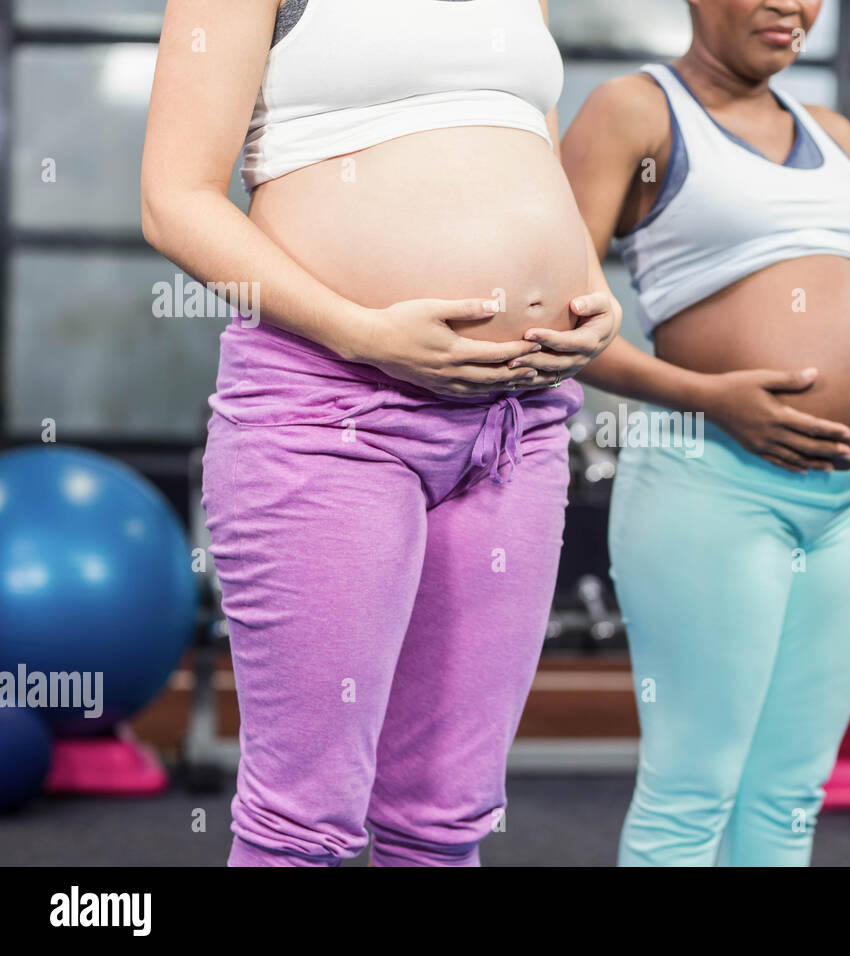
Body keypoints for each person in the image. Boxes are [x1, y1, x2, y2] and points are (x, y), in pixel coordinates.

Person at [141, 0, 620, 867]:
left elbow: (526, 145)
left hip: (518, 425)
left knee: (446, 822)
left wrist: (590, 289)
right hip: (333, 410)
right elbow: (174, 203)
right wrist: (359, 331)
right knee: (303, 825)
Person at [562, 0, 850, 865]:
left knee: (791, 794)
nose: (793, 5)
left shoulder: (835, 131)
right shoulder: (634, 110)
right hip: (712, 478)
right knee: (692, 789)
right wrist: (710, 397)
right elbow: (559, 321)